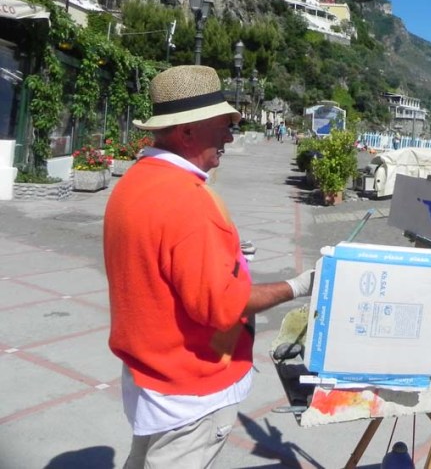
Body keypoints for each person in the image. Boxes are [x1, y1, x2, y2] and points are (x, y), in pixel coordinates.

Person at [103, 66, 314, 468]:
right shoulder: (189, 201)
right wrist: (298, 286)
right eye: (222, 125)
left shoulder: (136, 181)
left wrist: (227, 259)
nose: (230, 136)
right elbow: (220, 306)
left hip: (151, 372)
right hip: (190, 386)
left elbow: (160, 264)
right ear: (186, 132)